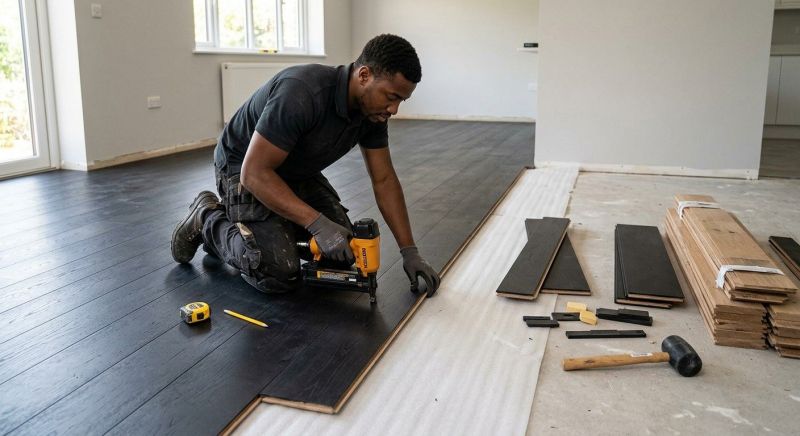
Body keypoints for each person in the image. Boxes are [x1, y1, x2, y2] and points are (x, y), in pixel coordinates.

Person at [170, 34, 441, 297]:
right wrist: (317, 224)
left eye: (401, 100)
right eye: (391, 97)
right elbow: (253, 173)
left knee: (343, 254)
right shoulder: (302, 91)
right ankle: (208, 217)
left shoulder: (373, 114)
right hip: (243, 167)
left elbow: (384, 179)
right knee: (277, 270)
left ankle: (268, 229)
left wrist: (410, 251)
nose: (394, 109)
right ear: (364, 75)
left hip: (293, 171)